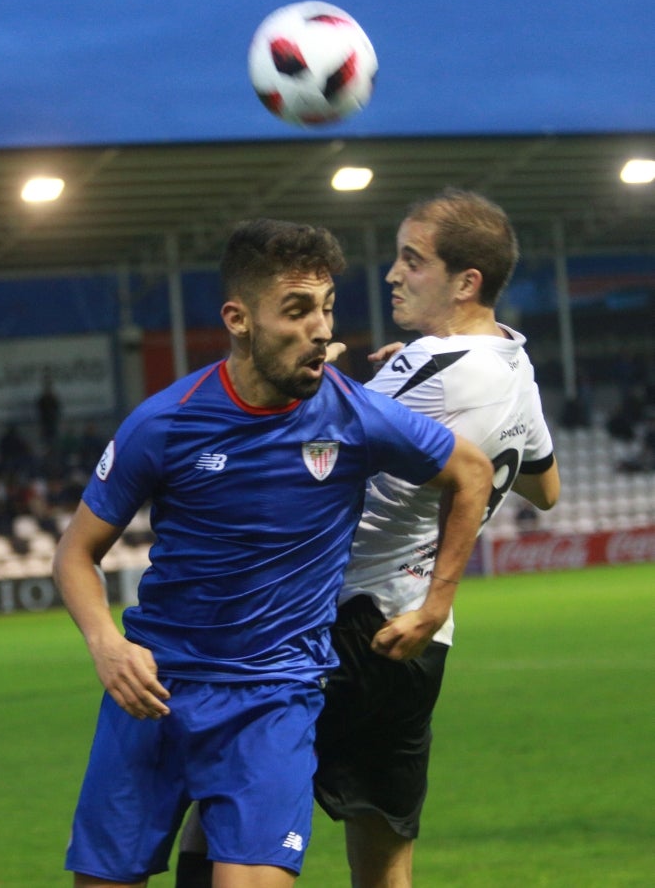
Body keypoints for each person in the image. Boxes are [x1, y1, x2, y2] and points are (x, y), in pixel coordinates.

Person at [53, 217, 493, 888]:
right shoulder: (165, 423)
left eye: (325, 308)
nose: (319, 328)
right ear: (238, 319)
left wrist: (436, 605)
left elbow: (471, 473)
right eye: (295, 310)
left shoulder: (353, 416)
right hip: (154, 692)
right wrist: (106, 644)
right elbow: (76, 553)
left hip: (271, 700)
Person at [175, 191, 560, 887]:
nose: (391, 274)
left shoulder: (432, 368)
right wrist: (399, 381)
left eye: (412, 261)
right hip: (417, 648)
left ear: (464, 281)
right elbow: (545, 487)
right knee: (383, 864)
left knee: (224, 812)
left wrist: (375, 379)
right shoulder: (513, 366)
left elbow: (310, 430)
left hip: (343, 625)